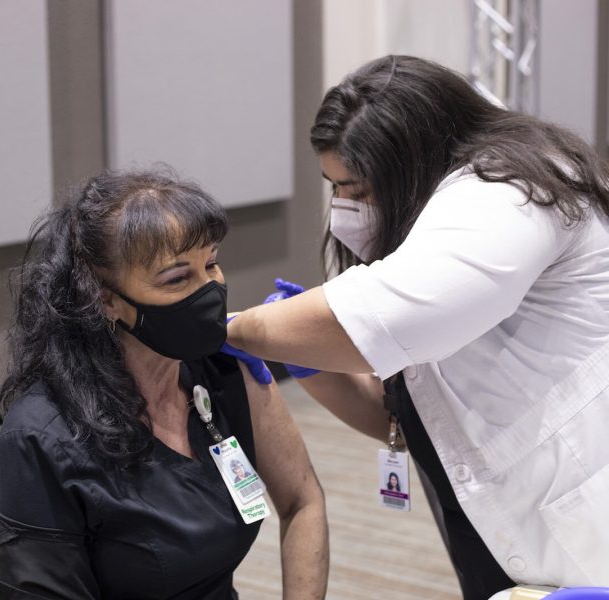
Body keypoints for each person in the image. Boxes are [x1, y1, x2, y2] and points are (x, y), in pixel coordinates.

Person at [226, 55, 609, 598]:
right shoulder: (427, 235)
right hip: (497, 521)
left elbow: (394, 318)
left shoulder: (509, 191)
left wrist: (236, 328)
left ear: (411, 163)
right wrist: (310, 361)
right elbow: (404, 419)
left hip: (584, 514)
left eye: (358, 188)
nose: (344, 208)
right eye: (334, 186)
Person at [0, 169, 328, 600]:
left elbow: (302, 502)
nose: (210, 291)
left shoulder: (224, 372)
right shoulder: (43, 437)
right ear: (105, 298)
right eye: (177, 278)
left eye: (212, 263)